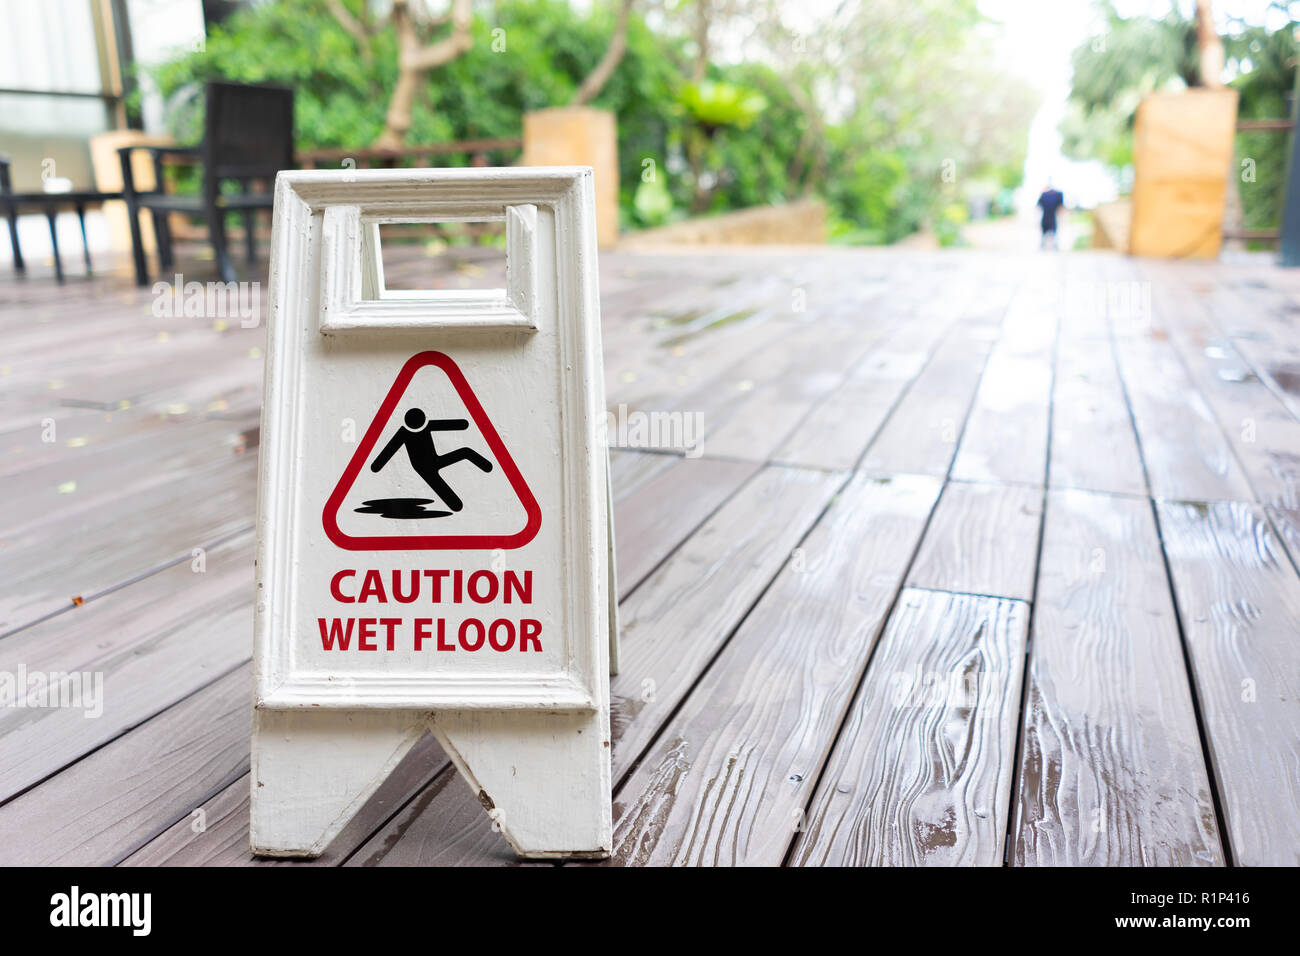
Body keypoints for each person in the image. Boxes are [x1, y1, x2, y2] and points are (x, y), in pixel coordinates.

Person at [370, 408, 492, 512]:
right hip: (423, 467)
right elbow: (387, 453)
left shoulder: (421, 428)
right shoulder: (404, 433)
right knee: (442, 487)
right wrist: (376, 466)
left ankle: (487, 467)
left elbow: (460, 424)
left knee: (465, 452)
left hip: (434, 460)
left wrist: (376, 467)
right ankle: (456, 505)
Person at [1037, 182, 1065, 250]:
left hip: (1050, 216)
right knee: (1048, 231)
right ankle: (1045, 245)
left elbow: (1038, 206)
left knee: (1051, 232)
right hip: (1049, 216)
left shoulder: (1046, 195)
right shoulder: (1045, 194)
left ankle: (1049, 245)